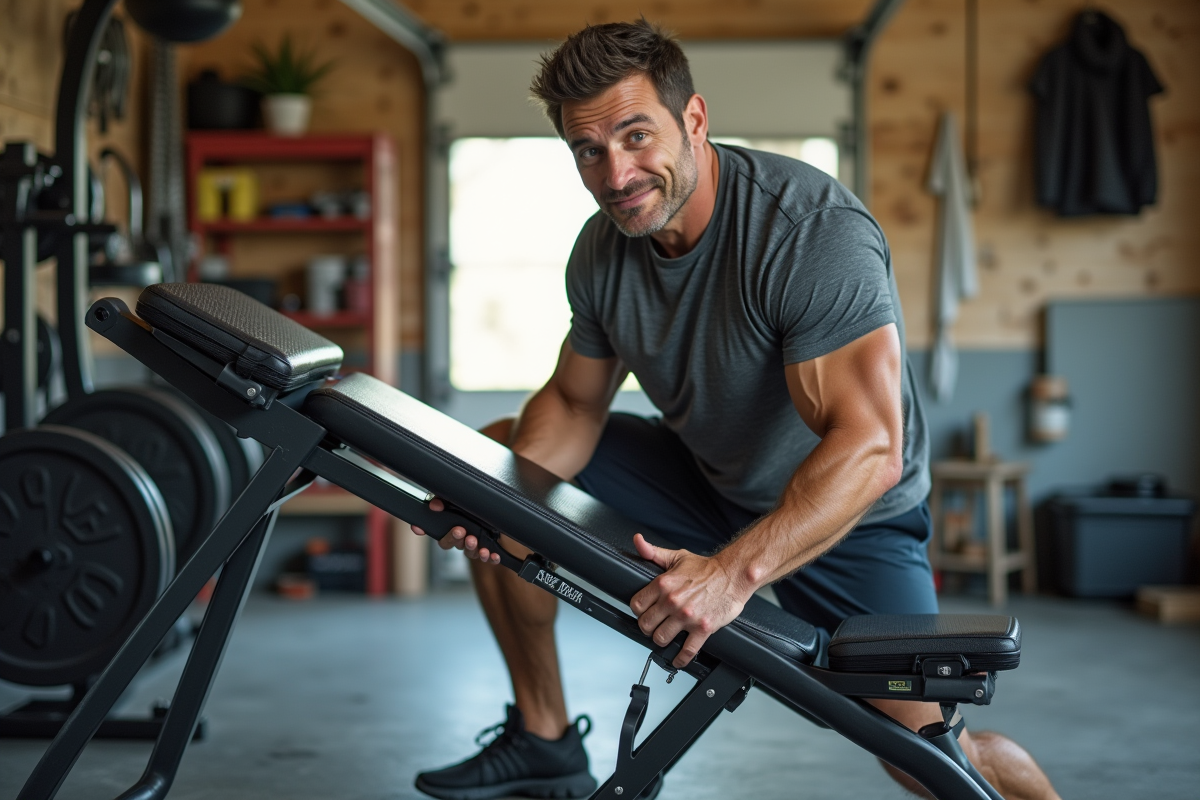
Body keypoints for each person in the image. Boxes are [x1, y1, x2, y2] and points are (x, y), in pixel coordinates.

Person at [412, 19, 1061, 800]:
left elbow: (870, 445)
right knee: (502, 463)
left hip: (853, 511)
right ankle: (545, 737)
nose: (615, 173)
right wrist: (497, 501)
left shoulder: (807, 232)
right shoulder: (601, 251)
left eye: (635, 135)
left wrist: (731, 576)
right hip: (708, 477)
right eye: (588, 150)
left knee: (927, 756)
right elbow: (574, 405)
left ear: (693, 120)